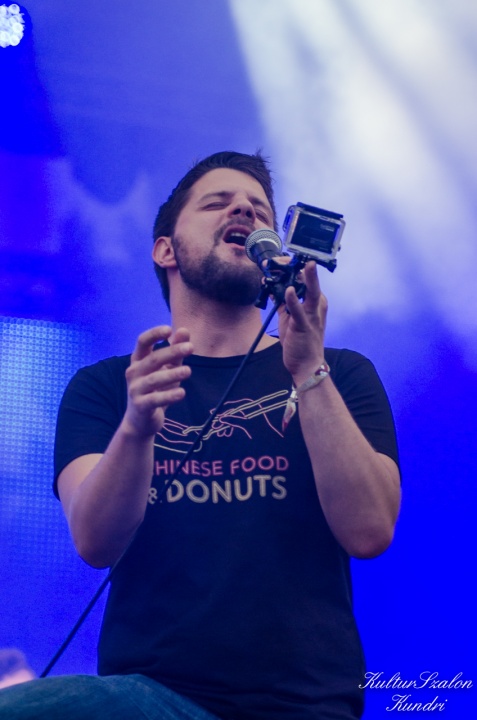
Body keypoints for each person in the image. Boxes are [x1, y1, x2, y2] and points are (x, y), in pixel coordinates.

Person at [0, 151, 401, 719]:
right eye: (217, 203)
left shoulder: (342, 372)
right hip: (154, 697)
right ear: (165, 250)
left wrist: (309, 370)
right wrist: (136, 427)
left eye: (259, 209)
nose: (244, 209)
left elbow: (370, 531)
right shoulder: (108, 387)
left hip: (308, 706)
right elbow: (95, 542)